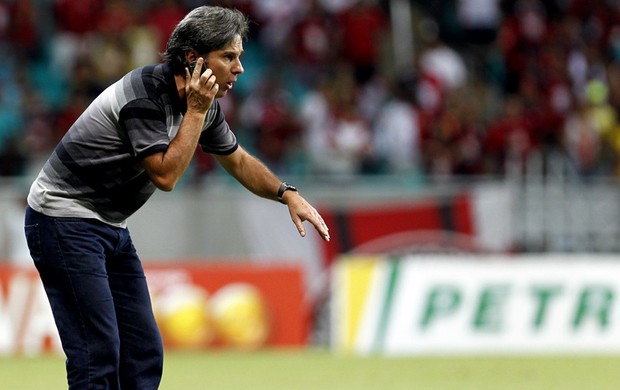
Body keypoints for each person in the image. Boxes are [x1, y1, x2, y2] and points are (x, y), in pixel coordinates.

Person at [23, 6, 330, 389]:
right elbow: (166, 175)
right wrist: (197, 113)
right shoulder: (145, 96)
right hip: (62, 219)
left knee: (143, 351)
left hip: (108, 224)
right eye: (229, 57)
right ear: (193, 58)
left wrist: (286, 194)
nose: (239, 69)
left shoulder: (204, 105)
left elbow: (235, 160)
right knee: (96, 353)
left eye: (240, 58)